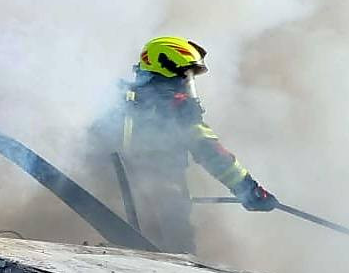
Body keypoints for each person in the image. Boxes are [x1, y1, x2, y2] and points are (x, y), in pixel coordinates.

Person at [119, 35, 278, 252]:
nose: (187, 84)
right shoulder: (176, 109)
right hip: (164, 203)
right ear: (167, 68)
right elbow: (210, 151)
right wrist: (250, 190)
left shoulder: (122, 98)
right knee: (177, 258)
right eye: (185, 77)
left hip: (120, 200)